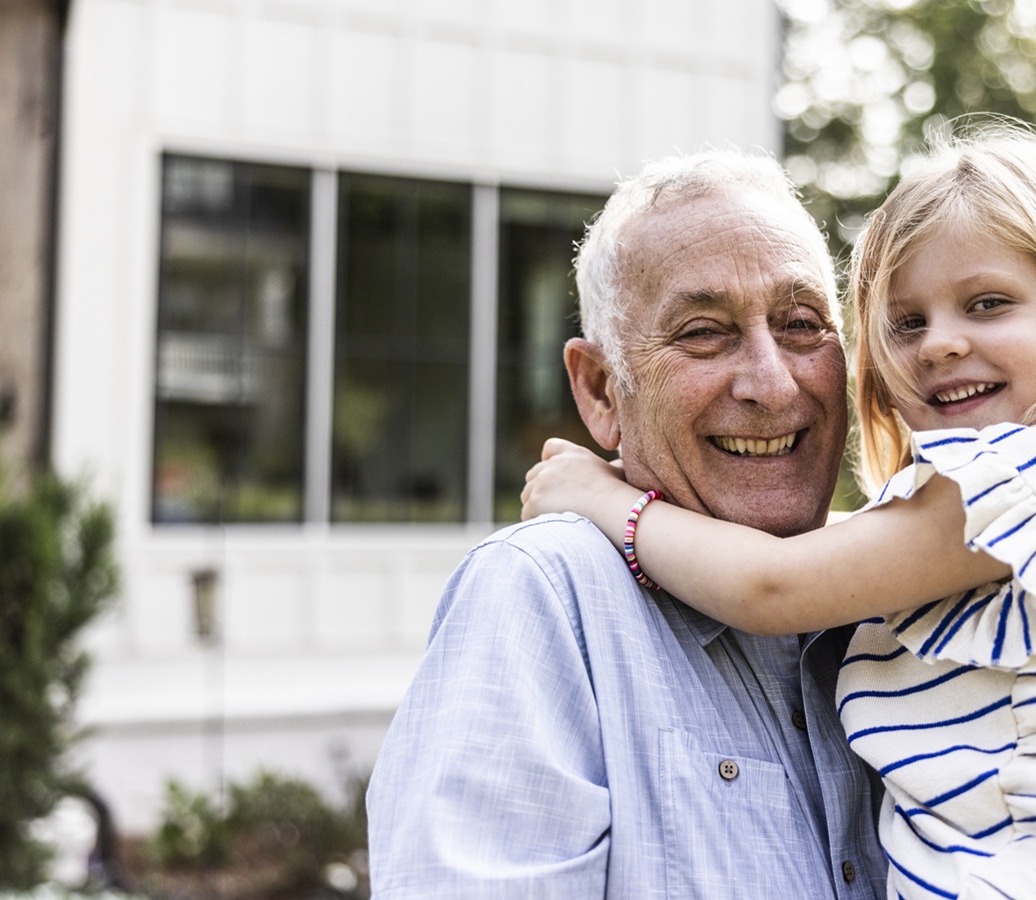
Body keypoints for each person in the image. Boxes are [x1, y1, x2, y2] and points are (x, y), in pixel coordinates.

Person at [522, 122, 1036, 899]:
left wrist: (607, 500)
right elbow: (824, 553)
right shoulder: (983, 509)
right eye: (906, 323)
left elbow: (775, 586)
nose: (940, 344)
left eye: (987, 304)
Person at [365, 150, 888, 899]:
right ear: (602, 390)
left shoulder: (902, 594)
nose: (772, 385)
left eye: (802, 324)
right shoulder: (543, 597)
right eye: (704, 332)